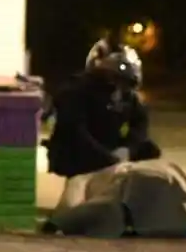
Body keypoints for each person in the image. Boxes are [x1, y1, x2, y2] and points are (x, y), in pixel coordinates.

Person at [44, 39, 162, 179]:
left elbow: (140, 121)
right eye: (112, 80)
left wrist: (127, 149)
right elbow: (75, 131)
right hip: (82, 149)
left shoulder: (127, 95)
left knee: (150, 150)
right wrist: (107, 158)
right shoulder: (76, 91)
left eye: (123, 82)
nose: (118, 89)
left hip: (109, 145)